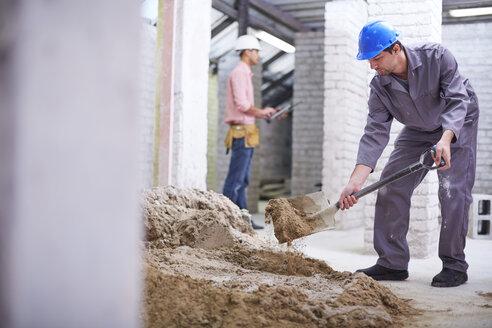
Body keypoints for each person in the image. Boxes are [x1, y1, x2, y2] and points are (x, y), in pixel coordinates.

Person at [338, 21, 479, 287]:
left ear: (396, 48)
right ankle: (392, 263)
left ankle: (454, 265)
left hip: (459, 123)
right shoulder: (379, 87)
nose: (372, 66)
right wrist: (355, 182)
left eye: (376, 58)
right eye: (368, 61)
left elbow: (458, 99)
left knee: (452, 190)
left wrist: (446, 138)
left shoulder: (436, 57)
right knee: (391, 184)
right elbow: (374, 133)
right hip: (419, 128)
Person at [222, 35, 278, 229]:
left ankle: (243, 219)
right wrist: (261, 112)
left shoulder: (245, 74)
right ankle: (225, 219)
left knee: (243, 179)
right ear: (247, 51)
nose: (259, 55)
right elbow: (242, 105)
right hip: (241, 132)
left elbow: (247, 107)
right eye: (257, 51)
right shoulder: (239, 73)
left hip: (247, 131)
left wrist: (264, 114)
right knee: (235, 179)